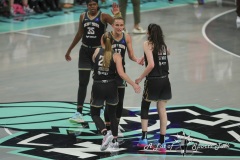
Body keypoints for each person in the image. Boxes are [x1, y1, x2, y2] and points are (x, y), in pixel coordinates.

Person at [65, 0, 120, 123]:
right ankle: (78, 112)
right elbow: (80, 33)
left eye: (94, 4)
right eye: (90, 5)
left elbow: (118, 25)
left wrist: (116, 15)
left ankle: (100, 108)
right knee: (82, 82)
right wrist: (69, 50)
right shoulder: (82, 16)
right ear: (87, 6)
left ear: (97, 5)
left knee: (100, 82)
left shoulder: (104, 16)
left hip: (99, 53)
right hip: (84, 51)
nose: (92, 6)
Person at [91, 32, 141, 151]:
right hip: (111, 86)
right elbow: (121, 74)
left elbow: (94, 62)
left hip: (98, 85)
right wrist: (134, 84)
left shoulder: (97, 51)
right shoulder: (117, 55)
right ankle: (115, 141)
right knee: (113, 115)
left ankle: (105, 133)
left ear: (101, 41)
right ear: (113, 43)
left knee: (94, 113)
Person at [102, 16, 144, 137]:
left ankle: (116, 125)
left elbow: (131, 55)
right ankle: (108, 128)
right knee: (109, 103)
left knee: (119, 102)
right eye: (117, 25)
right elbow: (101, 54)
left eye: (121, 25)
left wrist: (137, 59)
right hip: (108, 73)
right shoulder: (106, 37)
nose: (120, 27)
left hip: (121, 73)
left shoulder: (126, 37)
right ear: (112, 26)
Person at [135, 23, 172, 153]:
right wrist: (143, 57)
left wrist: (140, 78)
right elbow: (168, 52)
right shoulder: (163, 45)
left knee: (145, 106)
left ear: (150, 33)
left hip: (153, 81)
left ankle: (144, 138)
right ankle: (162, 143)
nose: (146, 33)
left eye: (147, 32)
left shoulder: (147, 44)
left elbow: (151, 65)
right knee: (162, 109)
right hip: (165, 80)